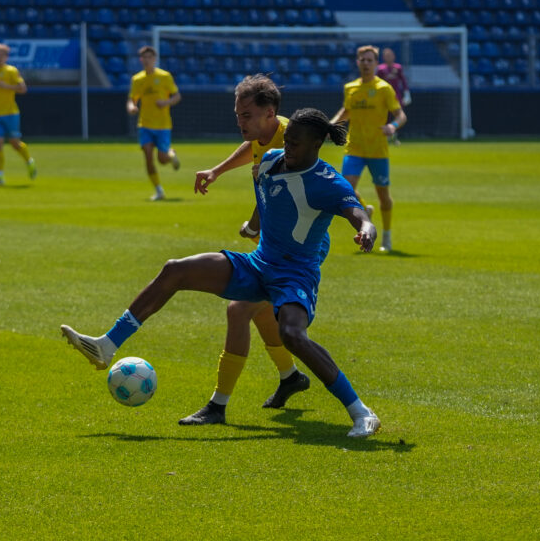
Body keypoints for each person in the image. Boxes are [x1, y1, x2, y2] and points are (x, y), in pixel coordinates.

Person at [60, 108, 382, 438]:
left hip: (295, 275)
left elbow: (357, 213)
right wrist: (253, 225)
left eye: (296, 144)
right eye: (286, 141)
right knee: (175, 270)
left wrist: (366, 231)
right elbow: (269, 196)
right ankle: (106, 345)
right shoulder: (271, 161)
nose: (288, 148)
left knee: (293, 335)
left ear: (317, 144)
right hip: (258, 265)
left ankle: (361, 412)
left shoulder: (327, 181)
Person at [183, 74, 312, 426]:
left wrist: (254, 224)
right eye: (237, 114)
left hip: (291, 251)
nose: (239, 122)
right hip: (273, 246)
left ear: (270, 114)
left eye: (246, 115)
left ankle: (217, 406)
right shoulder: (265, 134)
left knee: (239, 310)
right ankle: (290, 377)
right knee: (258, 313)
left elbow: (277, 194)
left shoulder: (290, 142)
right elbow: (253, 149)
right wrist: (218, 170)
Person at [332, 45, 407, 253]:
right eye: (362, 60)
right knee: (345, 188)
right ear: (357, 62)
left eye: (369, 60)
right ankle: (365, 210)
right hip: (354, 147)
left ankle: (387, 237)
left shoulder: (384, 88)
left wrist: (392, 126)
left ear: (376, 64)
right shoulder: (351, 88)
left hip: (377, 150)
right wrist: (330, 125)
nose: (365, 63)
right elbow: (347, 111)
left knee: (384, 196)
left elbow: (401, 115)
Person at [0, 43, 36, 186]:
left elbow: (22, 89)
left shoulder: (11, 71)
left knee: (15, 143)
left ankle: (29, 161)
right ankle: (0, 176)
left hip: (10, 113)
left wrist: (6, 86)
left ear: (5, 57)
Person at [128, 46, 181, 201]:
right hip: (145, 124)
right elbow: (132, 99)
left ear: (154, 59)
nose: (147, 60)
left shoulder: (164, 76)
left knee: (162, 159)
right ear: (141, 60)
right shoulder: (137, 79)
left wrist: (166, 102)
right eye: (144, 57)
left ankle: (171, 154)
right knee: (148, 156)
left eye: (150, 57)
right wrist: (131, 106)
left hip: (163, 125)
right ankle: (159, 190)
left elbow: (177, 96)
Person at [377, 47, 411, 145]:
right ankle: (385, 136)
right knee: (384, 117)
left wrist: (407, 93)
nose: (389, 57)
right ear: (383, 57)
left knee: (398, 116)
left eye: (390, 55)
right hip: (383, 98)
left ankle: (394, 136)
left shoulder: (398, 67)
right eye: (387, 56)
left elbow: (403, 81)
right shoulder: (380, 69)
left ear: (394, 56)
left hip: (396, 97)